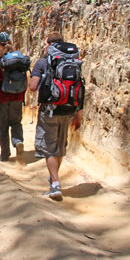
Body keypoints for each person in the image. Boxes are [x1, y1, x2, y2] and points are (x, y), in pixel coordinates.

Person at [28, 32, 83, 201]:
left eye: (46, 44)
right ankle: (54, 179)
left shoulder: (43, 62)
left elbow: (32, 87)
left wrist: (33, 78)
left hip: (49, 110)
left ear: (49, 44)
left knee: (49, 147)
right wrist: (78, 115)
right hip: (68, 110)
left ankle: (55, 184)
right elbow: (79, 88)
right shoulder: (73, 62)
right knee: (59, 146)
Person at [0, 32, 26, 161]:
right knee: (16, 123)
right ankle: (18, 142)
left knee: (3, 126)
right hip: (17, 97)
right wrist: (21, 95)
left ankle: (5, 154)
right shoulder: (18, 58)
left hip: (3, 98)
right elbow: (24, 78)